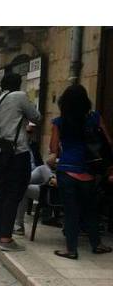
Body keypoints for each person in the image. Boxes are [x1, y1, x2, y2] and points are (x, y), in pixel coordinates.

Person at [49, 84, 113, 260]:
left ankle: (71, 250)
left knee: (71, 212)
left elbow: (53, 149)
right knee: (90, 210)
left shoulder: (59, 122)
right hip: (88, 172)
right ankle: (97, 244)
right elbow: (108, 142)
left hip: (67, 171)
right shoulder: (95, 118)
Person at [0, 72, 42, 252]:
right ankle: (6, 238)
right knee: (14, 193)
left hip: (0, 154)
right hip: (18, 153)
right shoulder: (19, 96)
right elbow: (36, 117)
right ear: (19, 84)